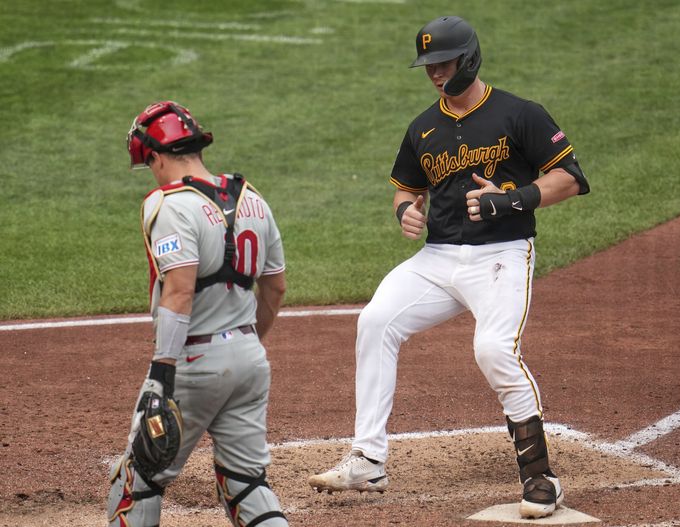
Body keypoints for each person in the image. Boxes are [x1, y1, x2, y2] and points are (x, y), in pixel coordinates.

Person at [308, 16, 589, 519]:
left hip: (502, 256)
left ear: (469, 58)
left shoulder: (519, 114)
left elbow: (570, 178)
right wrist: (405, 210)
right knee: (375, 322)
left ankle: (541, 479)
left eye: (444, 63)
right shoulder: (423, 127)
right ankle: (368, 460)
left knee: (493, 351)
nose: (436, 73)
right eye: (429, 66)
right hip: (437, 260)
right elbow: (406, 187)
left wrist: (514, 199)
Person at [107, 101, 289, 527]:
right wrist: (246, 346)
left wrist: (162, 374)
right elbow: (275, 286)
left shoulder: (168, 205)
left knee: (137, 481)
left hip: (191, 365)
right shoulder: (252, 199)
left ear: (154, 155)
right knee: (246, 483)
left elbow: (179, 291)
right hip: (250, 360)